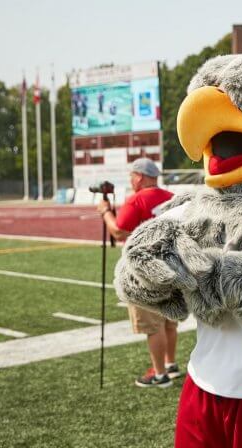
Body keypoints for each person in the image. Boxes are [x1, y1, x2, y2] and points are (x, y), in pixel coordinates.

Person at [96, 157, 179, 388]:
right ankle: (170, 364)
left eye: (132, 176)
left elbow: (119, 232)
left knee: (153, 326)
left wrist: (105, 212)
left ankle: (160, 374)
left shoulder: (137, 199)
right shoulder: (170, 198)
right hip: (170, 266)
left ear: (140, 177)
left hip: (144, 271)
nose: (131, 181)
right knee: (169, 322)